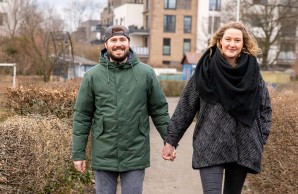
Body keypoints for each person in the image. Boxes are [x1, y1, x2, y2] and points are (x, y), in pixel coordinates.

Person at [162, 21, 272, 194]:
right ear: (220, 41)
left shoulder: (253, 72)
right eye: (228, 39)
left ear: (243, 43)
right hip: (210, 143)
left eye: (237, 40)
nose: (232, 44)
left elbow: (265, 107)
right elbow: (186, 107)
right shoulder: (204, 70)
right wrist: (170, 141)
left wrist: (260, 137)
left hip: (243, 145)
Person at [72, 25, 170, 194]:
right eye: (113, 40)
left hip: (135, 151)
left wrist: (170, 141)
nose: (118, 44)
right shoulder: (92, 76)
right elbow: (82, 116)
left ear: (128, 42)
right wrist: (78, 154)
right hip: (104, 152)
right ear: (106, 44)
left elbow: (159, 110)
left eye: (122, 39)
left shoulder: (146, 73)